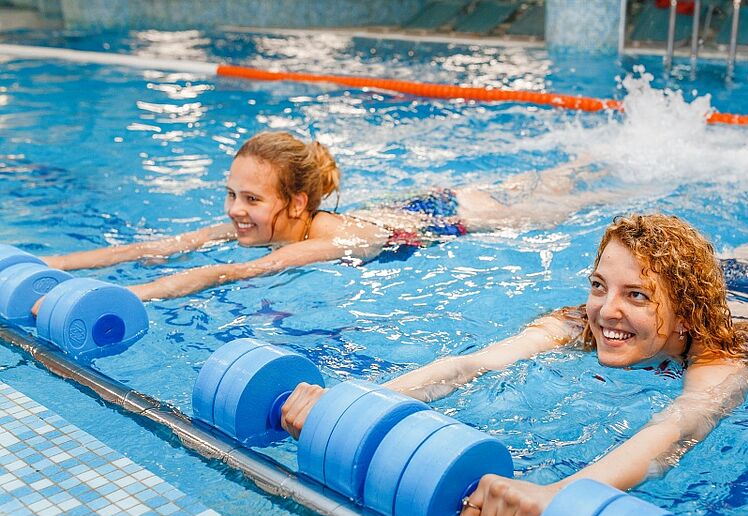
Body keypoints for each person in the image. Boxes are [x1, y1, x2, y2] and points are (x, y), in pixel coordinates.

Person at [278, 171, 748, 516]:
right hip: (712, 279)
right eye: (599, 285)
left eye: (636, 296)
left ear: (684, 315)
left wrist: (559, 494)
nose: (607, 311)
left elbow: (674, 430)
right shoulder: (584, 322)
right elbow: (474, 364)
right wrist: (356, 402)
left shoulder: (720, 358)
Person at [40, 131, 608, 302]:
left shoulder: (322, 238)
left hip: (456, 219)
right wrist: (51, 265)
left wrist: (130, 296)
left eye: (252, 200)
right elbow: (151, 249)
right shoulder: (252, 225)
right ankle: (582, 162)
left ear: (295, 205)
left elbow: (237, 272)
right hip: (420, 204)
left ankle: (602, 169)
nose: (235, 210)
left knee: (562, 207)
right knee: (541, 184)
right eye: (231, 194)